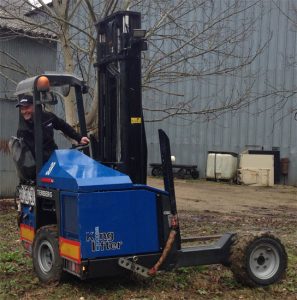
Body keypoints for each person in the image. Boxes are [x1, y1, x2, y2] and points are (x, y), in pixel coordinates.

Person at [16, 95, 90, 164]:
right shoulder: (23, 130)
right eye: (22, 109)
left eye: (27, 108)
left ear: (35, 106)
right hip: (38, 166)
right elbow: (31, 154)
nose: (24, 111)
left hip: (53, 157)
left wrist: (79, 138)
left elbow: (62, 125)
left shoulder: (47, 117)